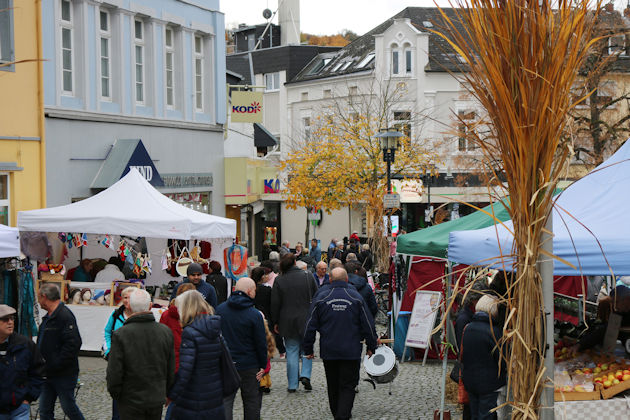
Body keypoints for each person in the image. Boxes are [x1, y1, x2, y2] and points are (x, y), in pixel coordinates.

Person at [303, 267, 378, 420]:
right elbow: (368, 324)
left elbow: (309, 325)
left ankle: (339, 413)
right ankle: (342, 415)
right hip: (351, 350)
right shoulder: (356, 297)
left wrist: (308, 348)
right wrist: (371, 346)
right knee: (348, 385)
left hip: (329, 349)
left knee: (333, 385)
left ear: (330, 280)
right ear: (346, 280)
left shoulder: (322, 297)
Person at [106, 289, 175, 420]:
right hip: (155, 398)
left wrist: (117, 395)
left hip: (129, 400)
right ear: (150, 306)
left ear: (130, 306)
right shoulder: (165, 332)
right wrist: (166, 392)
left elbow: (114, 372)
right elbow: (170, 369)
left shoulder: (121, 334)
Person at [167, 290, 225, 419]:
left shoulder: (190, 332)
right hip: (213, 392)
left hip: (194, 395)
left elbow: (185, 370)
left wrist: (172, 395)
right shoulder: (214, 327)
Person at [216, 278, 267, 420]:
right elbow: (260, 343)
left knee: (226, 401)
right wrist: (263, 365)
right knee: (251, 402)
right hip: (249, 365)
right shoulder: (254, 314)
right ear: (250, 291)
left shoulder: (219, 310)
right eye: (255, 291)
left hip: (226, 364)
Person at [37, 283, 84, 420]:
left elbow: (73, 344)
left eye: (39, 297)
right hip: (48, 373)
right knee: (45, 410)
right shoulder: (49, 317)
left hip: (63, 374)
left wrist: (56, 364)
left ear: (44, 297)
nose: (38, 301)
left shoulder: (64, 316)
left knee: (69, 407)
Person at [271, 254, 318, 392]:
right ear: (295, 262)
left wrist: (275, 321)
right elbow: (316, 296)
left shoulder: (279, 279)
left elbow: (275, 303)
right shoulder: (308, 275)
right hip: (306, 319)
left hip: (287, 320)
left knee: (291, 351)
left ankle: (292, 385)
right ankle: (305, 375)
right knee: (307, 347)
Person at [461, 295, 506, 420]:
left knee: (475, 415)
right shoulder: (494, 331)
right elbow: (502, 359)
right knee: (486, 415)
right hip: (488, 383)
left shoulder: (469, 328)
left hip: (470, 381)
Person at [0, 304, 45, 420]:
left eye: (12, 318)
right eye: (5, 319)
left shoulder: (25, 344)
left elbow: (39, 371)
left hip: (19, 408)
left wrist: (28, 398)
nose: (10, 322)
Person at [160, 283, 195, 420]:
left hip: (173, 365)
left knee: (174, 404)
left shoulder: (167, 315)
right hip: (186, 365)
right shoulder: (196, 316)